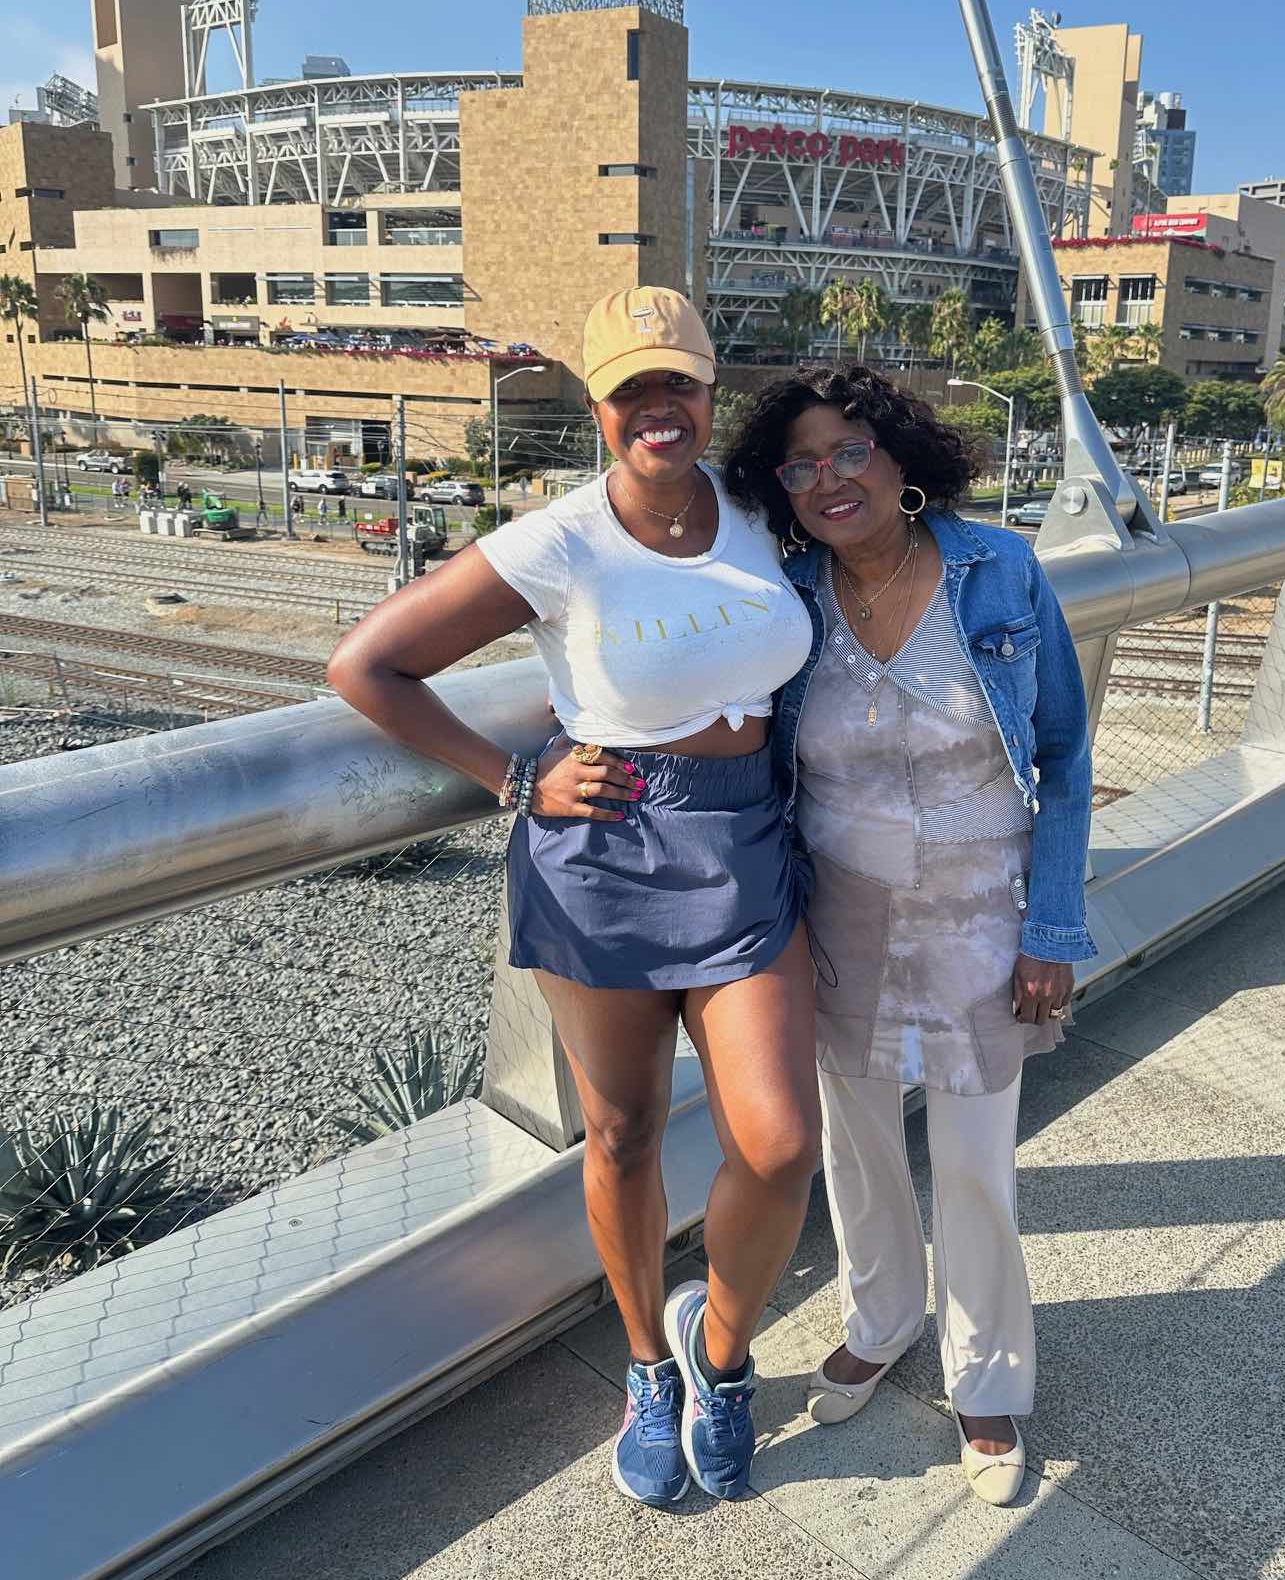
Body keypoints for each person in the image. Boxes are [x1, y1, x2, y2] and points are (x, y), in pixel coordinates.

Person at [326, 287, 819, 1508]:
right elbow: (367, 665)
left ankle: (724, 1352)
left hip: (748, 839)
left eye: (681, 385)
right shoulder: (557, 539)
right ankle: (648, 1365)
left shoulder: (760, 511)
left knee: (778, 1140)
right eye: (631, 390)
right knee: (624, 1133)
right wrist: (511, 777)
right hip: (603, 851)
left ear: (712, 393)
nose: (660, 408)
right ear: (598, 407)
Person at [724, 365, 1094, 1507]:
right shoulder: (787, 598)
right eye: (800, 462)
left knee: (976, 1159)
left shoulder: (1003, 573)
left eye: (849, 452)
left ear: (899, 459)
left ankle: (987, 1376)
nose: (828, 478)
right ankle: (881, 1318)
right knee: (857, 1139)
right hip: (836, 912)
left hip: (986, 911)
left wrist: (1053, 926)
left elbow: (1066, 759)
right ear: (777, 488)